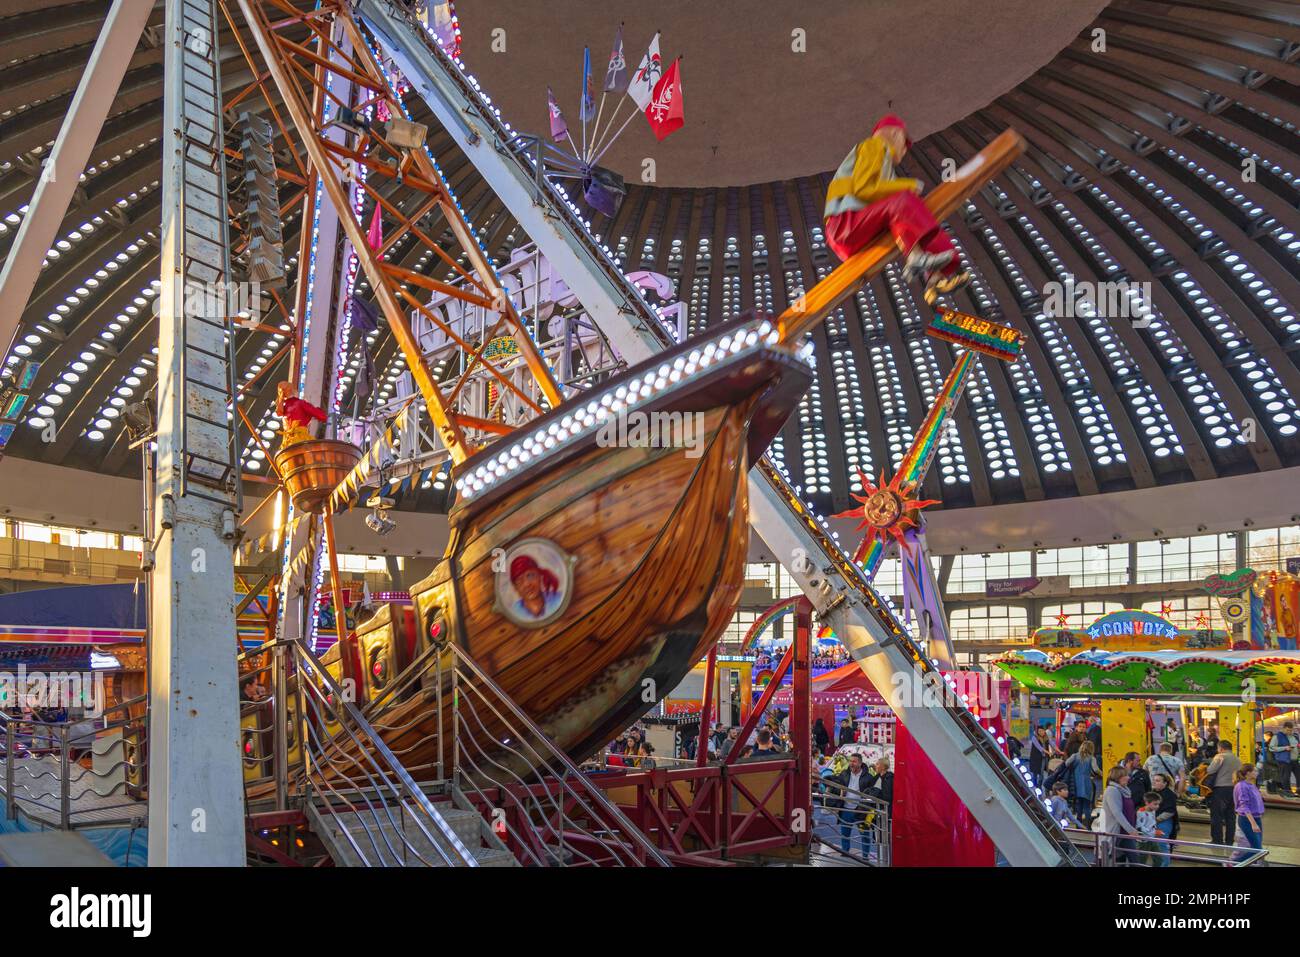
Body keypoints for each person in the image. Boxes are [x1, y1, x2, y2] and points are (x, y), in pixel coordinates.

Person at [822, 114, 971, 301]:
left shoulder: (886, 171)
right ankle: (919, 260)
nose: (904, 150)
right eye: (904, 142)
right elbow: (863, 189)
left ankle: (934, 277)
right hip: (844, 224)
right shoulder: (874, 146)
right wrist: (908, 184)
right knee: (904, 200)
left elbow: (901, 220)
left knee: (908, 215)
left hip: (854, 233)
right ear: (894, 134)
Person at [1203, 739, 1243, 847]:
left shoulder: (1220, 756)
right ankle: (1229, 841)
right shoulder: (1238, 759)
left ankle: (1217, 840)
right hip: (1234, 789)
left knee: (1217, 815)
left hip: (1221, 789)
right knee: (1230, 816)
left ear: (1220, 748)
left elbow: (1210, 770)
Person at [833, 752, 872, 856]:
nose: (851, 763)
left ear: (860, 763)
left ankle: (865, 856)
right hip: (846, 809)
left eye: (854, 761)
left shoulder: (868, 777)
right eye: (850, 761)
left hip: (861, 810)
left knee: (865, 835)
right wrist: (840, 791)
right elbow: (836, 787)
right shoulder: (844, 774)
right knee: (845, 834)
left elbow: (871, 793)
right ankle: (845, 852)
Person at [1102, 765, 1140, 864]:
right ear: (1118, 777)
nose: (1128, 777)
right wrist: (1130, 830)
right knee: (1134, 859)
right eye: (1126, 775)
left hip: (1124, 831)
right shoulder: (1112, 790)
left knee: (1122, 859)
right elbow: (1117, 813)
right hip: (1119, 831)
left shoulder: (1124, 790)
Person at [1232, 765, 1265, 863]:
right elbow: (1244, 806)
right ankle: (1235, 864)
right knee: (1257, 850)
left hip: (1256, 818)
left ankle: (1249, 863)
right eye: (1254, 771)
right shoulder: (1242, 786)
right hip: (1247, 820)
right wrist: (1253, 823)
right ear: (1248, 773)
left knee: (1257, 847)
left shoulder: (1251, 784)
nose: (1257, 772)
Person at [1066, 740, 1101, 826]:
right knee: (1087, 805)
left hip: (1076, 783)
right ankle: (1088, 824)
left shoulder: (1075, 756)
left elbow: (1066, 763)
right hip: (1087, 783)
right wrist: (1102, 773)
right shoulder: (1091, 758)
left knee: (1078, 804)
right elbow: (1095, 769)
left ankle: (1078, 823)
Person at [1151, 772, 1179, 865]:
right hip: (1154, 822)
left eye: (1157, 781)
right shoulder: (1152, 792)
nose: (1154, 782)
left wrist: (1155, 819)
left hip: (1163, 823)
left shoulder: (1169, 794)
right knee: (1156, 848)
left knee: (1162, 847)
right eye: (1154, 780)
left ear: (1165, 783)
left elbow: (1170, 811)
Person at [1269, 720, 1297, 797]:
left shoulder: (1293, 736)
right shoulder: (1277, 736)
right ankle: (1287, 791)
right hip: (1283, 760)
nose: (1289, 731)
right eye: (1288, 730)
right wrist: (1285, 748)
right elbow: (1271, 748)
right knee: (1286, 776)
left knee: (1298, 775)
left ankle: (1297, 790)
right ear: (1284, 728)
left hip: (1294, 760)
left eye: (1291, 730)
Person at [1136, 791, 1164, 867]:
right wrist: (1154, 832)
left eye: (1158, 804)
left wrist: (1155, 831)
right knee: (1141, 862)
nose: (1157, 806)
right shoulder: (1140, 813)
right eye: (1155, 804)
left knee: (1159, 859)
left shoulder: (1153, 811)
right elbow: (1140, 828)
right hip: (1143, 841)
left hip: (1152, 839)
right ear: (1147, 803)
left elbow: (1152, 823)